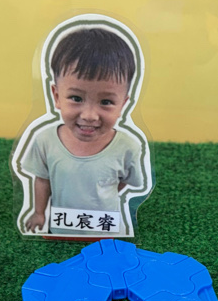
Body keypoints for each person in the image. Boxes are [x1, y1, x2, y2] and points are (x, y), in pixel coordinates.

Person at [21, 27, 144, 234]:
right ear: (57, 96)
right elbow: (42, 180)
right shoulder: (45, 140)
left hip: (106, 232)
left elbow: (122, 182)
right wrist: (39, 213)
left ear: (123, 104)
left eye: (106, 102)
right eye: (76, 98)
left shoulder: (127, 147)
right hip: (62, 231)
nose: (89, 115)